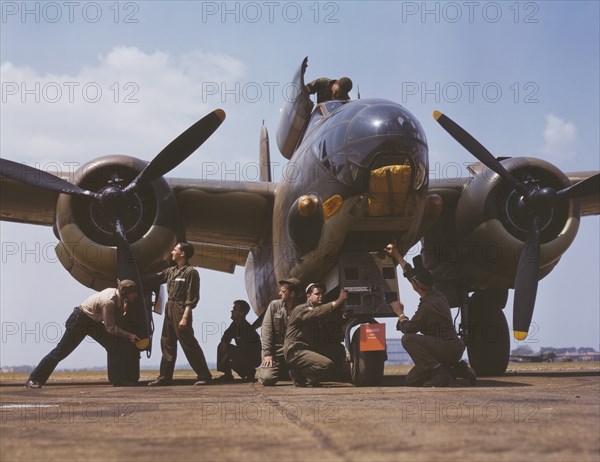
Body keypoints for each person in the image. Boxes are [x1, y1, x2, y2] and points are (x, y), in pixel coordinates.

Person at [385, 244, 475, 387]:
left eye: (413, 283)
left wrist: (400, 314)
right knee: (411, 380)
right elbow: (411, 274)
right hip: (449, 348)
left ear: (416, 286)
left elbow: (409, 329)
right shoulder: (435, 293)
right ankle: (456, 369)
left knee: (408, 339)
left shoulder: (428, 307)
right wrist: (397, 255)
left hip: (447, 349)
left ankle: (441, 373)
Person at [25, 280, 141, 389]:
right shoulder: (109, 301)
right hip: (79, 321)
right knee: (60, 352)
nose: (136, 296)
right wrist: (129, 335)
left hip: (92, 322)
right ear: (125, 293)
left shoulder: (118, 296)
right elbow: (110, 328)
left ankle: (118, 380)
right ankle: (34, 379)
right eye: (133, 293)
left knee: (113, 344)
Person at [146, 242, 213, 386]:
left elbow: (191, 297)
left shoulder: (191, 272)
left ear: (182, 254)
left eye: (175, 250)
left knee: (188, 343)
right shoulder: (171, 271)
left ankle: (204, 375)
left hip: (181, 309)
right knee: (167, 342)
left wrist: (185, 318)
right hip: (169, 308)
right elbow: (155, 277)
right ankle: (164, 377)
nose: (172, 252)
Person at [283, 283, 348, 387]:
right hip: (295, 350)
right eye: (317, 294)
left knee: (338, 350)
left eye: (322, 293)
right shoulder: (301, 309)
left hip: (308, 348)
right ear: (308, 296)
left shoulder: (318, 311)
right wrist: (339, 300)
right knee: (326, 364)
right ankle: (301, 374)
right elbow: (316, 312)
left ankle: (304, 373)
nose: (321, 296)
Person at [258, 277, 301, 386]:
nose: (279, 293)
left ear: (292, 294)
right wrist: (267, 354)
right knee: (267, 379)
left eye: (283, 291)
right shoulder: (274, 306)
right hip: (276, 351)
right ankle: (264, 372)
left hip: (293, 351)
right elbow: (266, 331)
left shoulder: (302, 309)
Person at [215, 300, 261, 382]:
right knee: (221, 345)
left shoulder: (247, 329)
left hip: (252, 357)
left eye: (235, 309)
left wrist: (229, 355)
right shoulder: (235, 325)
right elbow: (226, 336)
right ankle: (227, 375)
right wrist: (224, 343)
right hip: (242, 353)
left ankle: (250, 372)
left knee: (234, 362)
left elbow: (248, 351)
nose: (232, 311)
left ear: (242, 313)